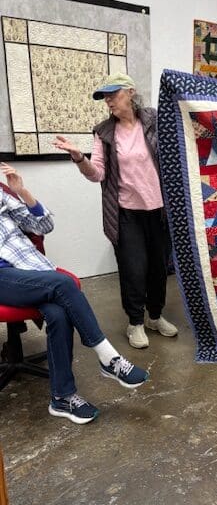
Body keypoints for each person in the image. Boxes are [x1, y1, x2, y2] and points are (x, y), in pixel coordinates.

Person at [0, 162, 149, 424]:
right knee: (63, 284)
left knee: (58, 313)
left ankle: (62, 398)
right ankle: (109, 358)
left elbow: (44, 225)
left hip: (27, 269)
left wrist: (21, 191)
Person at [53, 72, 177, 349]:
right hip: (126, 213)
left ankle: (154, 317)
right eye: (105, 97)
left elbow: (177, 149)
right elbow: (97, 174)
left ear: (130, 92)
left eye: (113, 94)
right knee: (134, 269)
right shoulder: (104, 132)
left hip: (159, 211)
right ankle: (135, 323)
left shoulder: (154, 120)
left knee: (159, 268)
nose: (108, 100)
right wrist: (79, 157)